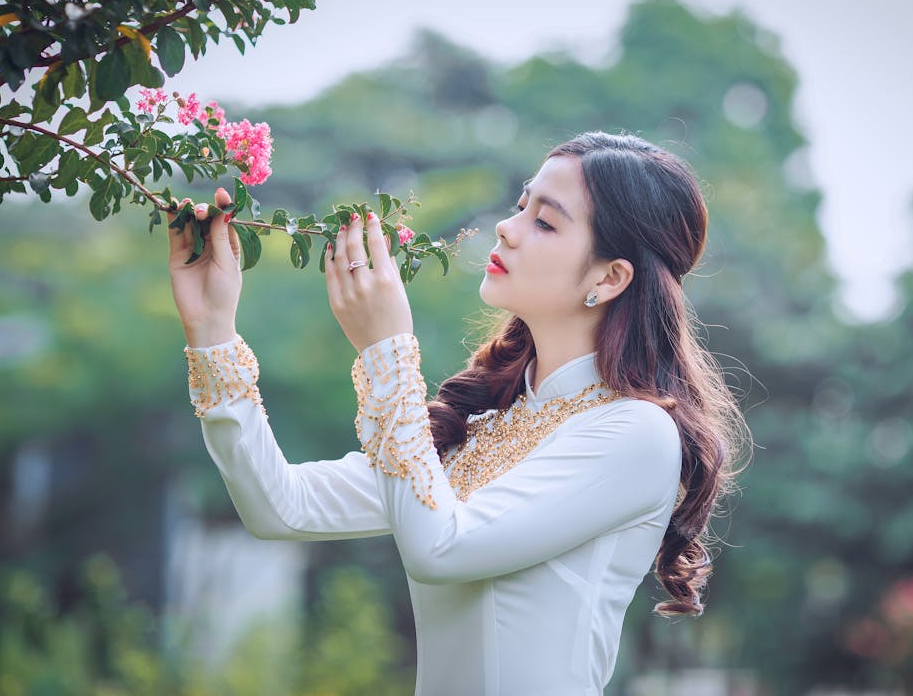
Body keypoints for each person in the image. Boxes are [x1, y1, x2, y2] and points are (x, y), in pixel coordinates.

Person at [167, 131, 749, 696]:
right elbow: (282, 506)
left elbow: (440, 548)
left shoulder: (633, 433)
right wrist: (212, 330)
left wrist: (386, 354)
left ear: (609, 276)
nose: (506, 226)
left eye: (545, 221)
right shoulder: (485, 426)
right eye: (522, 205)